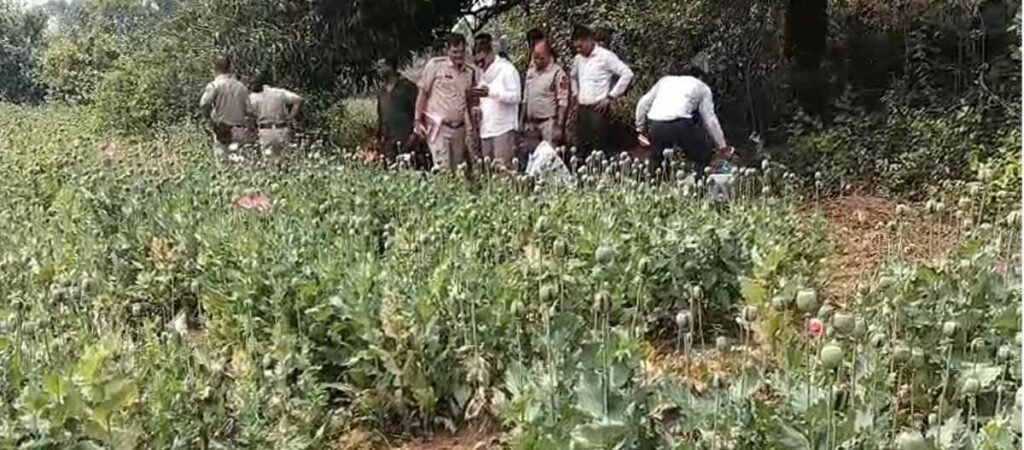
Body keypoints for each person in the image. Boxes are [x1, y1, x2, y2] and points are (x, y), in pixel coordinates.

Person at [634, 62, 731, 181]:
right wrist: (722, 145)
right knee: (703, 155)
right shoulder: (702, 87)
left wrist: (640, 129)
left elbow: (642, 104)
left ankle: (654, 185)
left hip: (656, 124)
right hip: (680, 123)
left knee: (658, 160)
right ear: (700, 77)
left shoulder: (665, 81)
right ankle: (699, 186)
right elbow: (710, 120)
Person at [570, 25, 634, 161]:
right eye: (576, 47)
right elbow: (573, 76)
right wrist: (575, 93)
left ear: (589, 40)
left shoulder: (605, 56)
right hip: (583, 108)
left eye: (580, 46)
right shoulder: (578, 59)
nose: (579, 50)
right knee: (582, 146)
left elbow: (627, 74)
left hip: (599, 108)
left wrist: (611, 96)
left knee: (598, 147)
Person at [415, 33, 475, 174]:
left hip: (459, 129)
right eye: (455, 52)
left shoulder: (469, 72)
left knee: (458, 171)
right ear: (447, 51)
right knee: (443, 170)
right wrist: (417, 120)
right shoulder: (436, 66)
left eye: (461, 51)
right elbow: (423, 94)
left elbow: (468, 102)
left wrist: (470, 128)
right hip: (439, 127)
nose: (458, 55)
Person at [472, 37, 521, 170]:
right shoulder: (481, 74)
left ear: (490, 54)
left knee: (503, 170)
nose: (480, 65)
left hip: (503, 128)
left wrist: (492, 93)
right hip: (486, 129)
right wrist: (478, 108)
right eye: (477, 62)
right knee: (488, 173)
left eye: (482, 61)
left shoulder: (507, 70)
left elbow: (516, 97)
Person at [199, 55, 253, 162]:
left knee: (223, 164)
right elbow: (249, 110)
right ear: (230, 67)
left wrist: (209, 120)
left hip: (222, 130)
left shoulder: (214, 85)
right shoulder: (241, 87)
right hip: (239, 130)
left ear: (214, 68)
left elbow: (204, 104)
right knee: (238, 164)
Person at [522, 41, 570, 157]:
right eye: (535, 57)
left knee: (548, 156)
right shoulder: (531, 72)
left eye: (541, 58)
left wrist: (559, 124)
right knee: (532, 156)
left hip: (548, 122)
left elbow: (563, 100)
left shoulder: (558, 73)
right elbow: (526, 98)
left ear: (548, 55)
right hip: (531, 123)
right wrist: (522, 120)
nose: (537, 60)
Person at [248, 71, 303, 159]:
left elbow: (247, 111)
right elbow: (298, 100)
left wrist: (254, 119)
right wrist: (290, 117)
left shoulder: (253, 96)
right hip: (282, 129)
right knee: (285, 159)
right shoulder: (279, 92)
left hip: (265, 130)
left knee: (268, 160)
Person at [375, 56, 419, 164]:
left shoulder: (407, 87)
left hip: (405, 136)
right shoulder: (382, 90)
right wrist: (378, 135)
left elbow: (417, 109)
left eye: (381, 67)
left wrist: (414, 134)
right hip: (387, 137)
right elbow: (380, 113)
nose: (378, 70)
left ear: (390, 67)